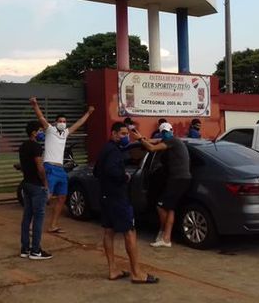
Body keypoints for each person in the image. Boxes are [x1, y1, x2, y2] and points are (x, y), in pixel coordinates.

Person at [93, 122, 158, 284]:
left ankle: (113, 269)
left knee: (109, 231)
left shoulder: (106, 149)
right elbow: (111, 170)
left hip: (106, 196)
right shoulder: (114, 152)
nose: (125, 137)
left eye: (126, 134)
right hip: (118, 197)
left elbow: (96, 171)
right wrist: (124, 177)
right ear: (113, 134)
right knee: (130, 232)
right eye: (122, 134)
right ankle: (136, 272)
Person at [30, 97, 94, 233]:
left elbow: (78, 123)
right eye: (60, 121)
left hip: (60, 169)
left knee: (62, 197)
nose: (62, 123)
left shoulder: (65, 133)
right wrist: (35, 105)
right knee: (46, 196)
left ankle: (53, 225)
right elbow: (41, 118)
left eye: (64, 121)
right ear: (55, 122)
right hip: (50, 167)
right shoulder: (50, 130)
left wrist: (88, 113)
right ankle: (31, 225)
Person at [133, 122, 192, 248]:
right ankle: (166, 238)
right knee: (170, 208)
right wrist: (141, 137)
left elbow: (152, 148)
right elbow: (153, 141)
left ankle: (164, 233)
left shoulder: (172, 142)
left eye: (167, 131)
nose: (166, 134)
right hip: (181, 179)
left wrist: (139, 139)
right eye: (163, 132)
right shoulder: (172, 141)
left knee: (161, 206)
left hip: (178, 179)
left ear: (171, 131)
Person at [19, 121, 52, 260]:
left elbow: (24, 165)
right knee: (38, 218)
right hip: (37, 186)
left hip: (26, 183)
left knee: (27, 216)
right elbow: (40, 168)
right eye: (40, 130)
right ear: (33, 132)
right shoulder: (36, 147)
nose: (42, 133)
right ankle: (36, 250)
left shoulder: (23, 146)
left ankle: (25, 248)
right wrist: (45, 184)